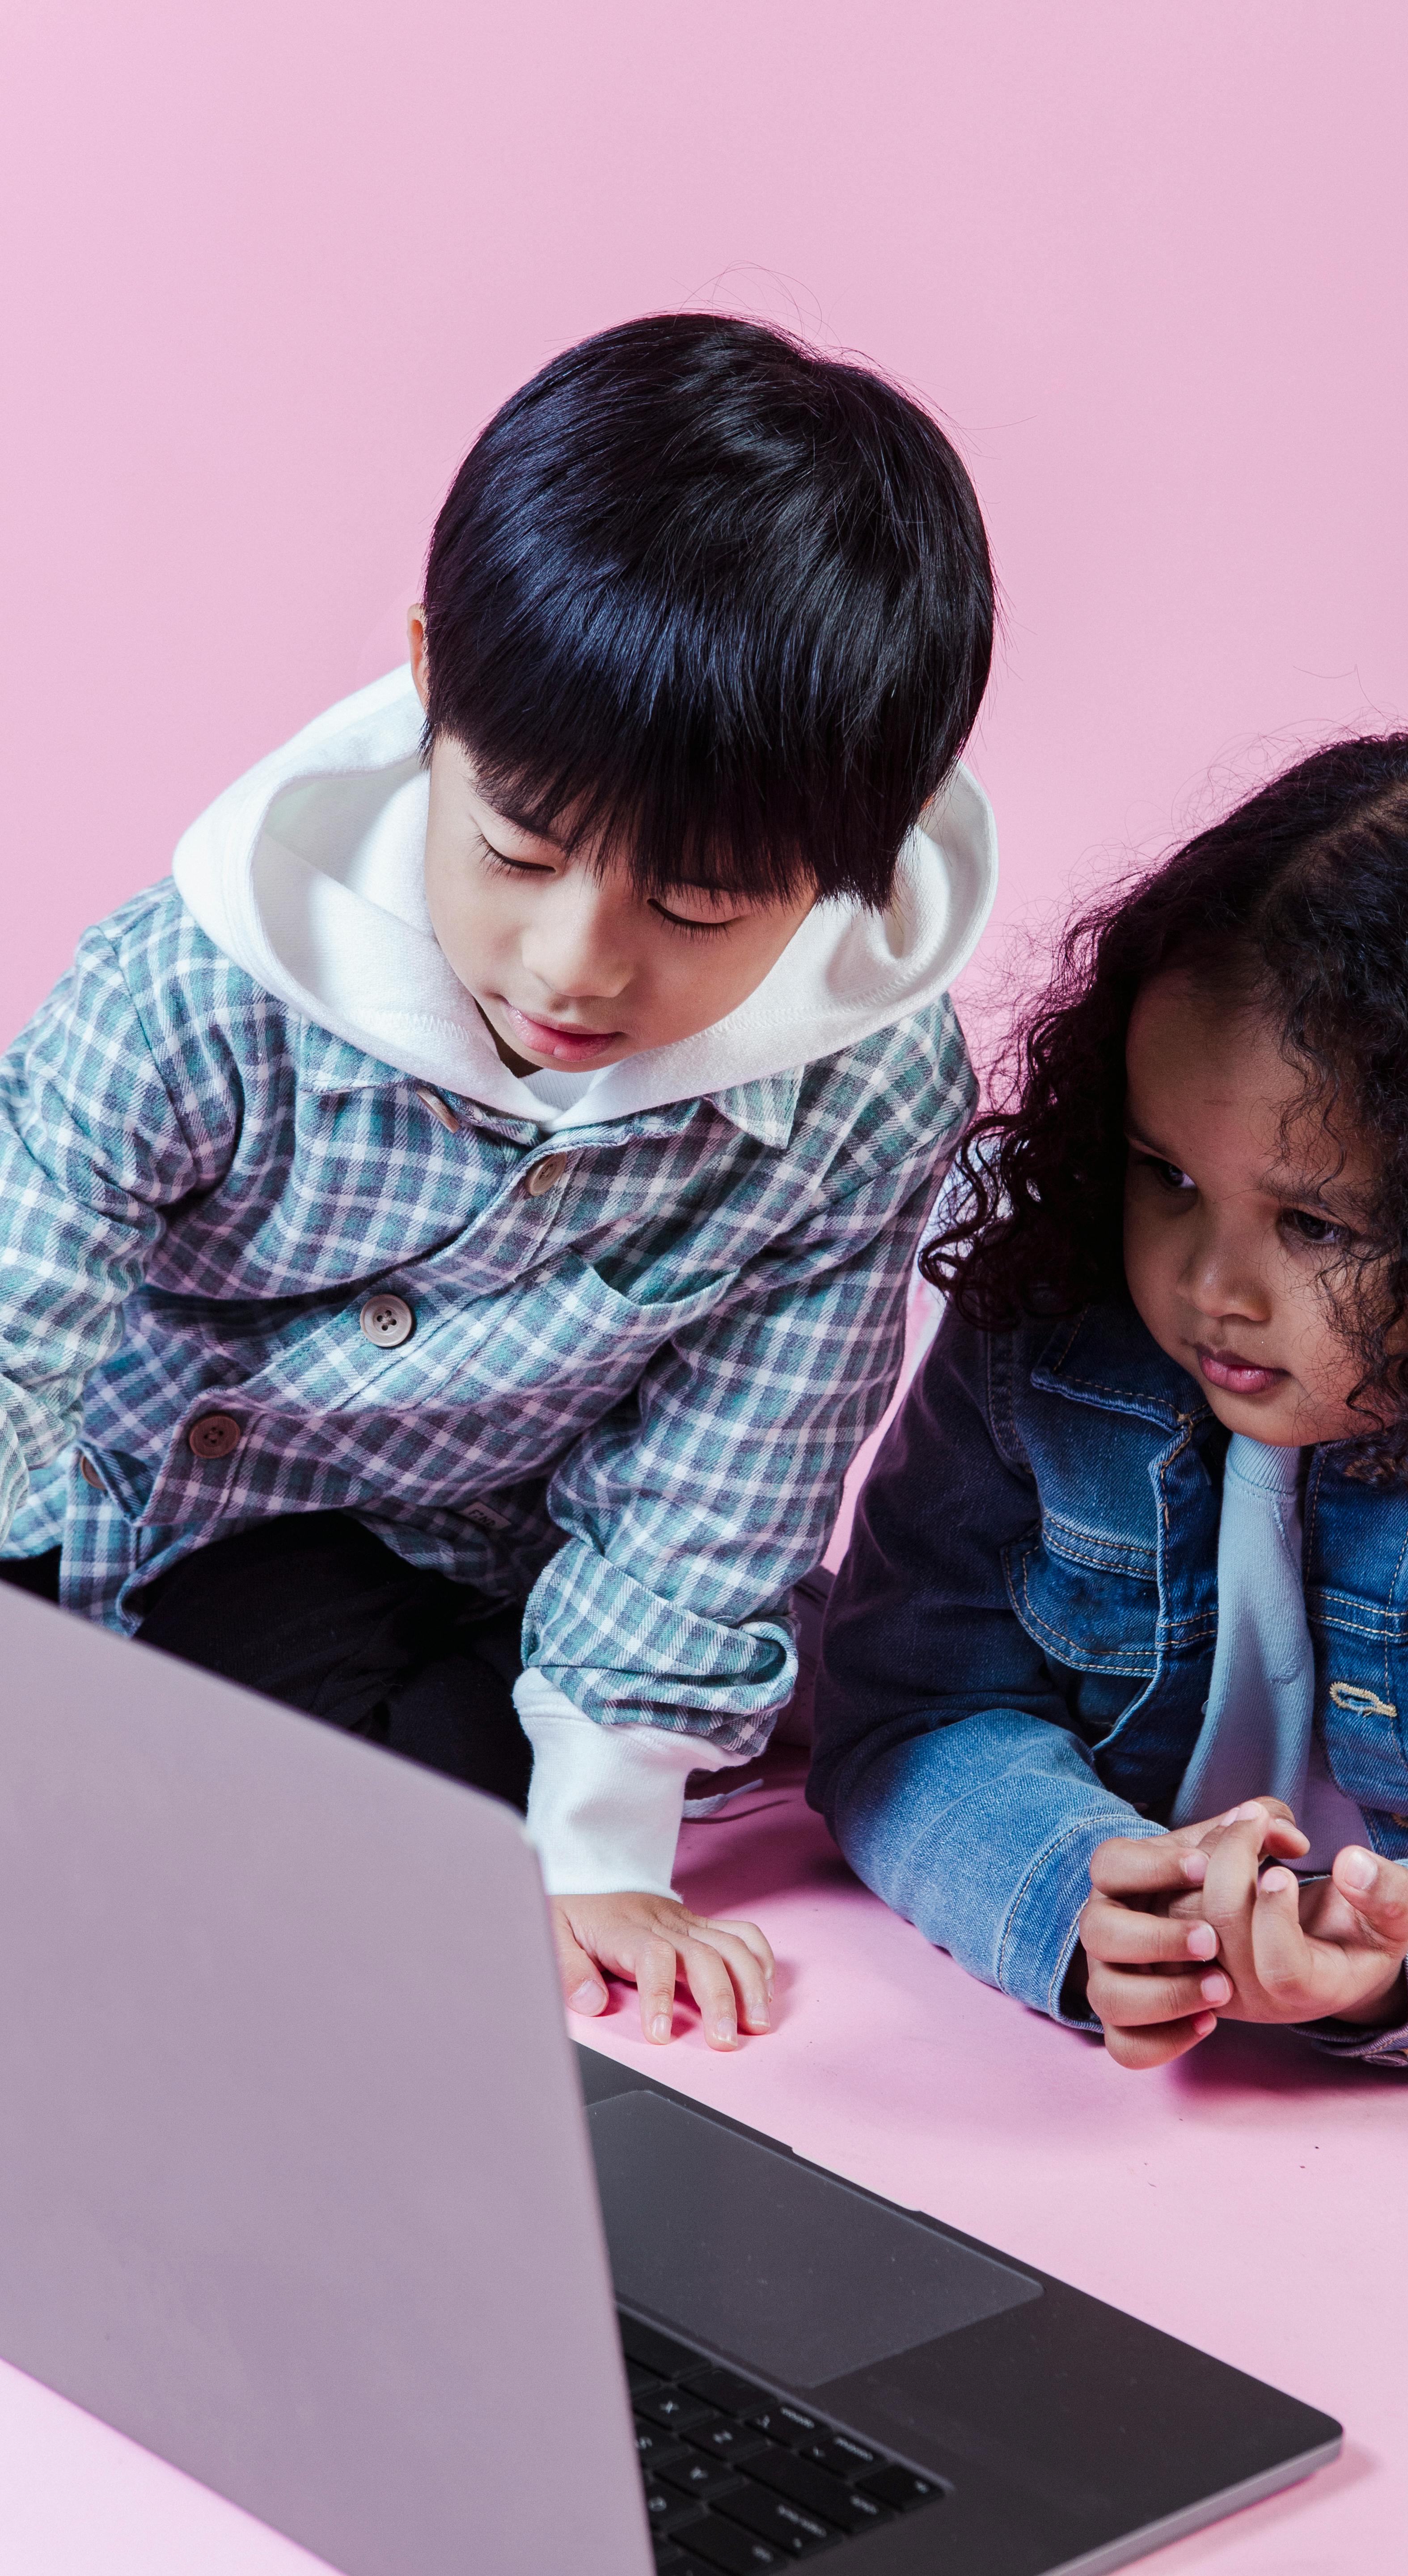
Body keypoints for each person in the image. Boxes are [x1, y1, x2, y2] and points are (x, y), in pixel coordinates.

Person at [0, 313, 997, 2050]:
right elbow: (23, 1319)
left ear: (867, 847)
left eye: (697, 910)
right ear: (430, 688)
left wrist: (596, 1846)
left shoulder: (870, 1093)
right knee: (200, 1805)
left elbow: (731, 1482)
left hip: (513, 1574)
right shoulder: (200, 988)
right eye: (518, 850)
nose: (574, 964)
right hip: (176, 1536)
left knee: (457, 1860)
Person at [808, 733, 1408, 2076]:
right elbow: (908, 1706)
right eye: (1163, 1175)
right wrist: (1080, 1903)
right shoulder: (1041, 1334)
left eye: (1316, 1225)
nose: (1212, 1288)